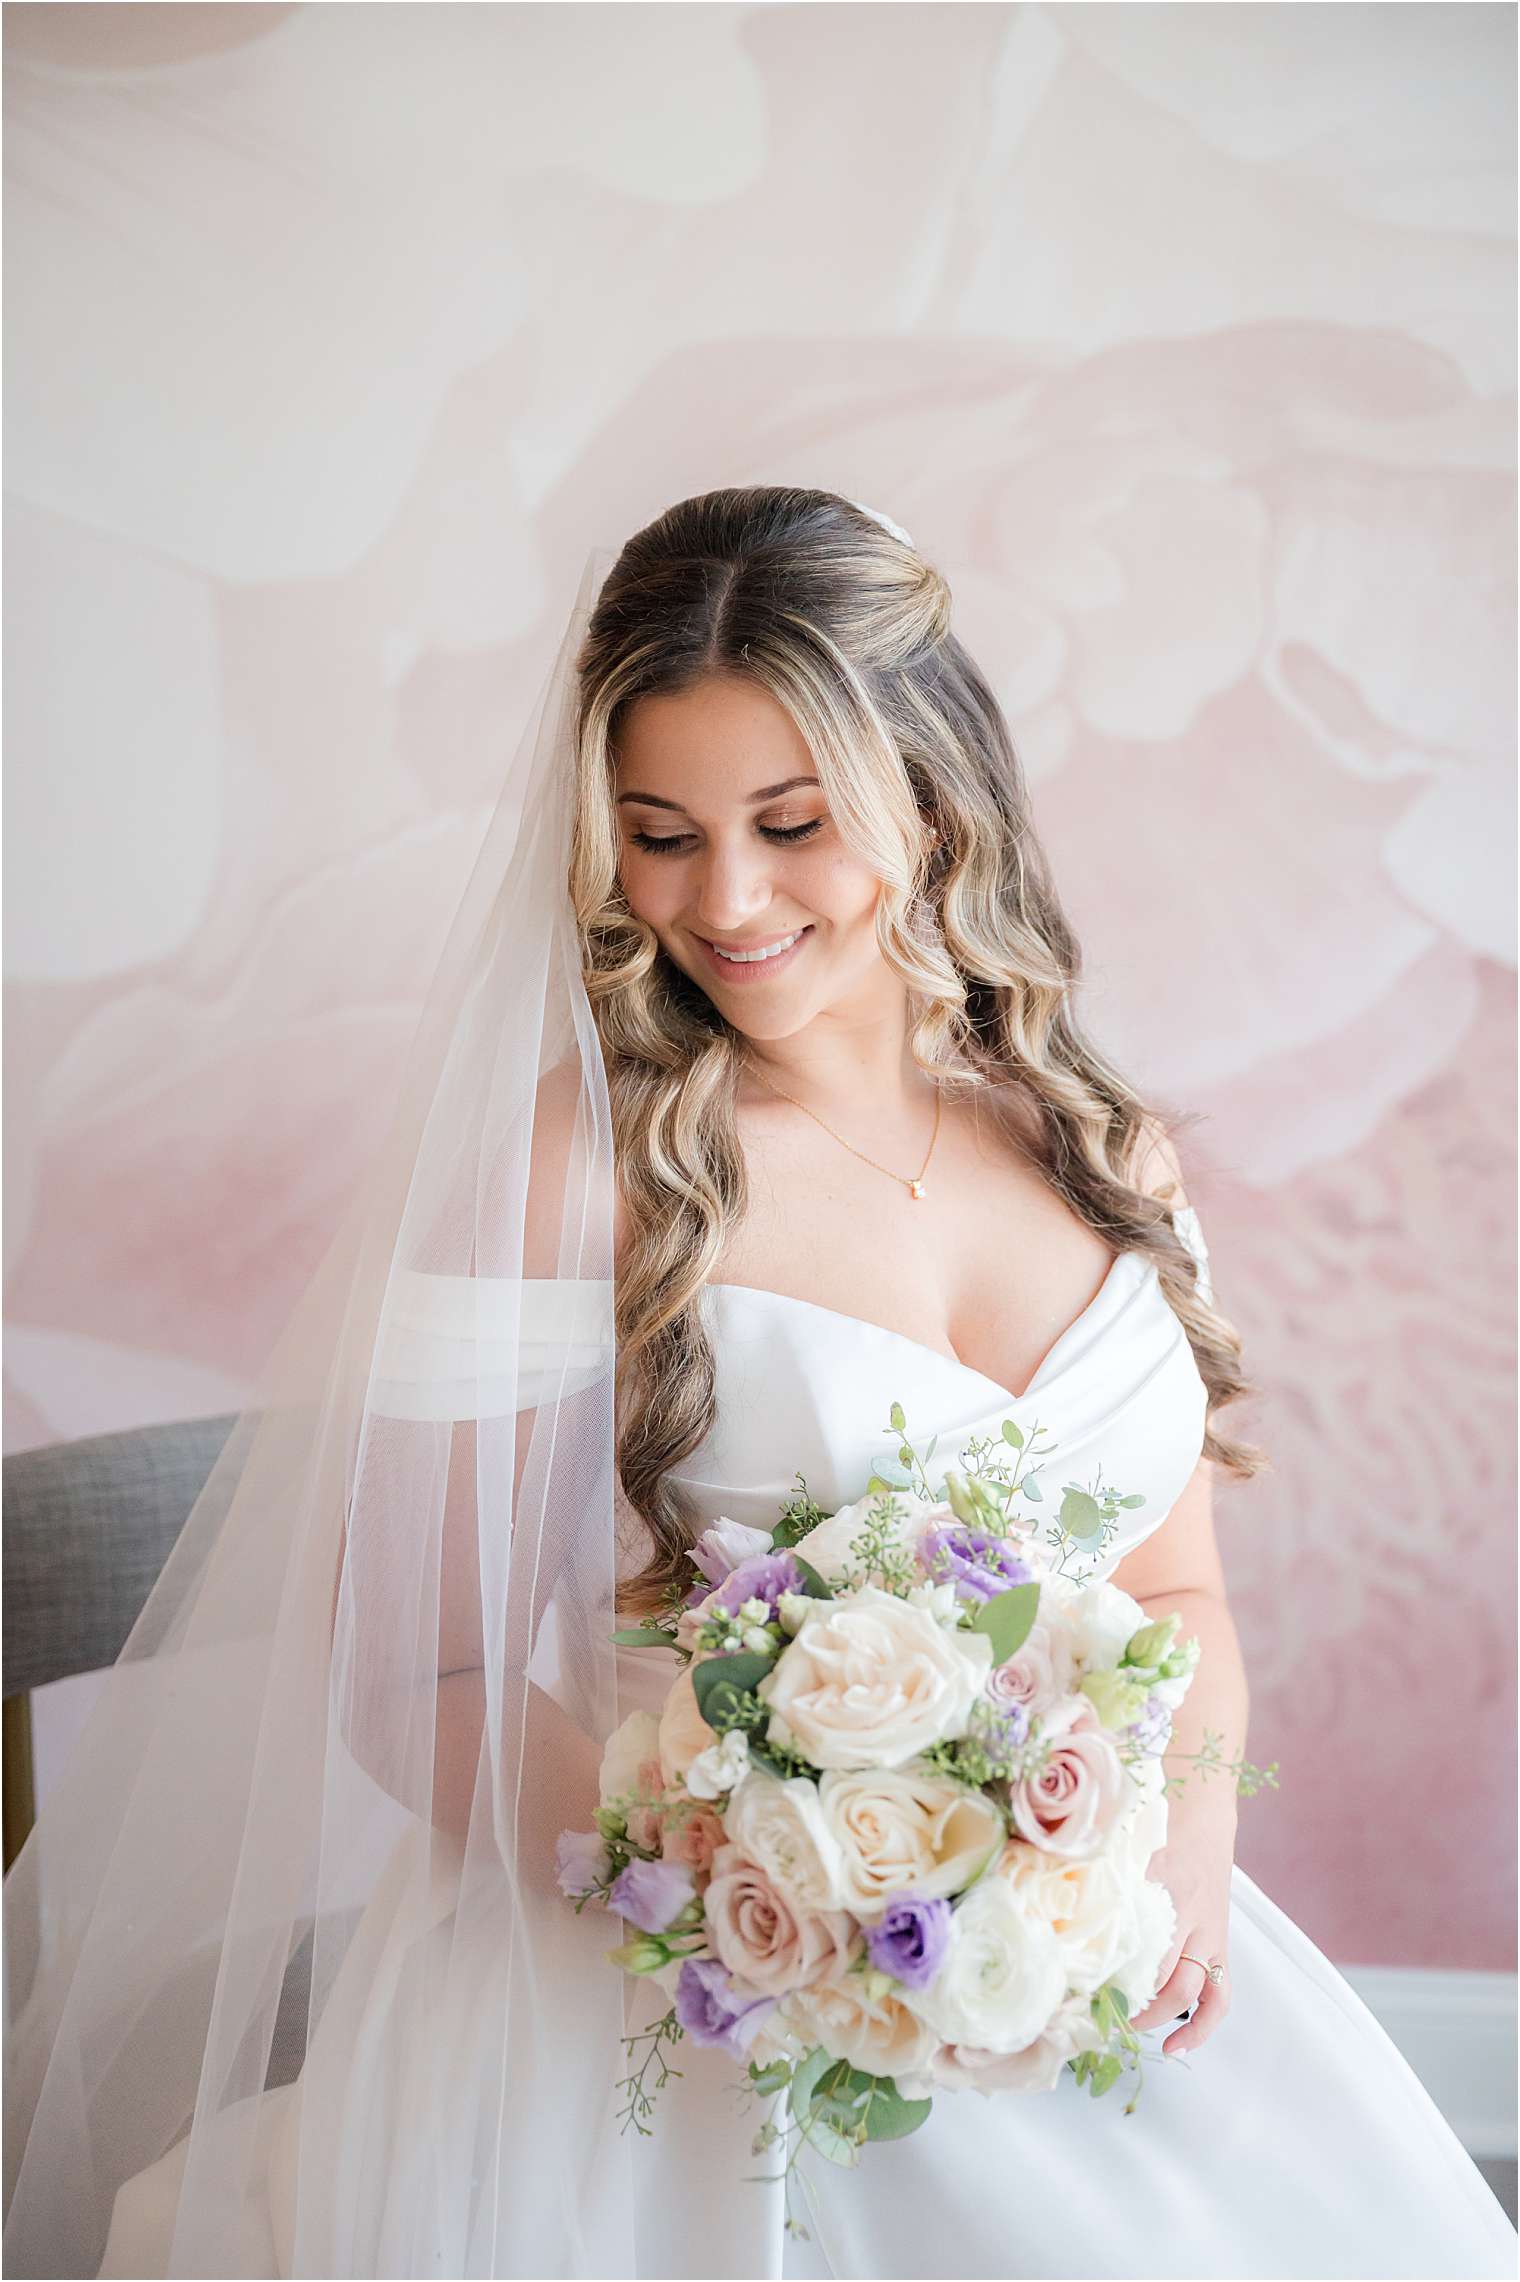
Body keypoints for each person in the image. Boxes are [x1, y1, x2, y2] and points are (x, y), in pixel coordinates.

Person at [5, 488, 1513, 2279]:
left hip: (1073, 1945)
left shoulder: (1099, 1149)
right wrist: (758, 1878)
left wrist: (1176, 1844)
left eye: (790, 824)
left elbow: (1173, 1588)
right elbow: (417, 1666)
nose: (723, 900)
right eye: (657, 835)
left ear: (932, 795)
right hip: (666, 1996)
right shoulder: (568, 1178)